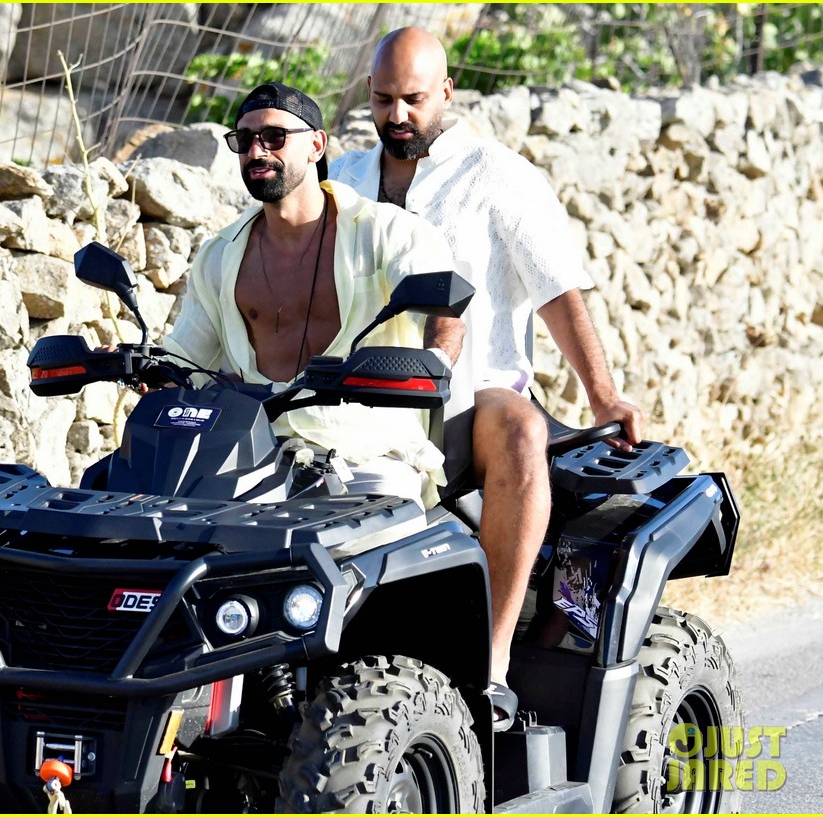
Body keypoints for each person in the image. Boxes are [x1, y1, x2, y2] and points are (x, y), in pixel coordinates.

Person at [330, 26, 645, 726]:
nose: (397, 115)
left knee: (522, 428)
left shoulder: (497, 176)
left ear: (446, 91)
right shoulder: (344, 179)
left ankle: (491, 663)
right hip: (357, 406)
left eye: (413, 98)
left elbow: (559, 291)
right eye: (383, 100)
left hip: (468, 408)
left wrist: (603, 394)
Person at [163, 81, 460, 510]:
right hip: (248, 451)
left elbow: (442, 313)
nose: (257, 152)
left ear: (316, 145)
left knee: (373, 553)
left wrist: (435, 364)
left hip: (365, 454)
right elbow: (186, 358)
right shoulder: (220, 254)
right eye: (244, 141)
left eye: (274, 137)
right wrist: (137, 364)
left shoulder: (386, 232)